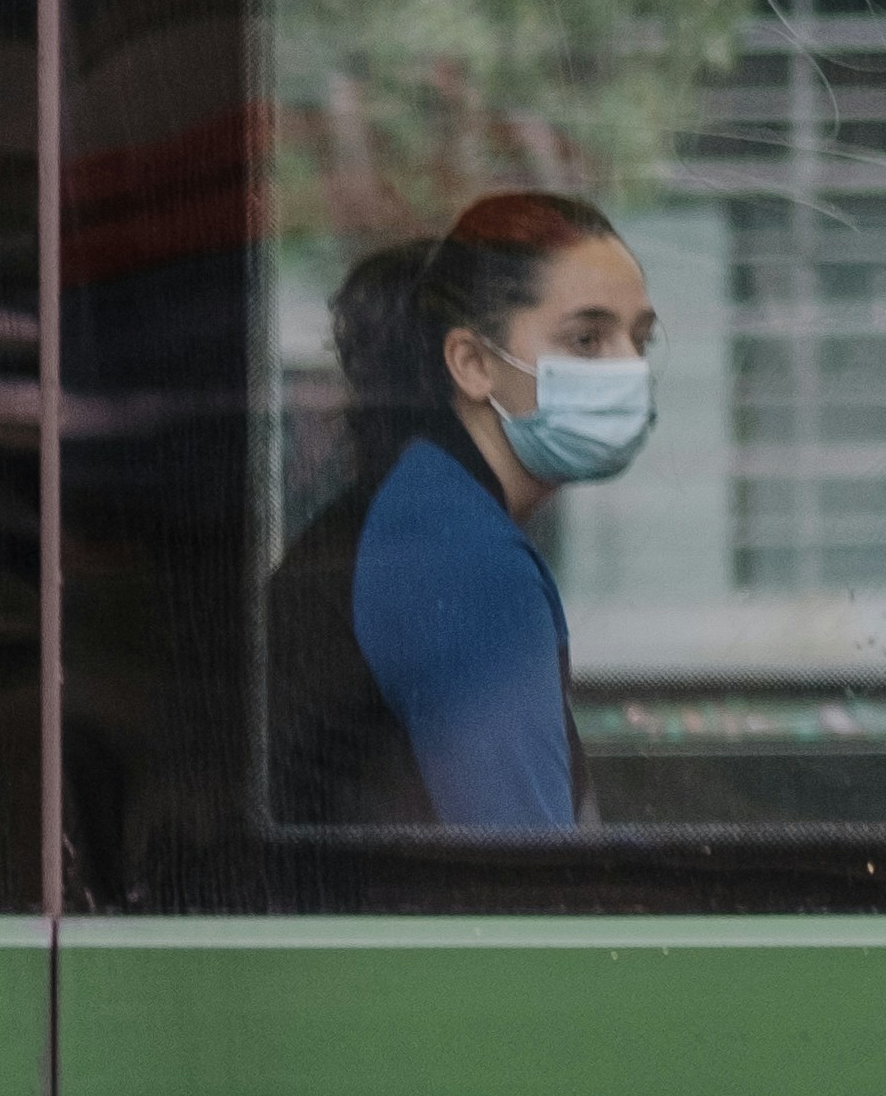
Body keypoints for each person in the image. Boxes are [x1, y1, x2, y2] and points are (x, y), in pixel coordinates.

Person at [263, 192, 656, 829]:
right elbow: (528, 882)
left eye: (641, 339)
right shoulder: (467, 562)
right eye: (588, 340)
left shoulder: (418, 505)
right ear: (472, 364)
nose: (630, 370)